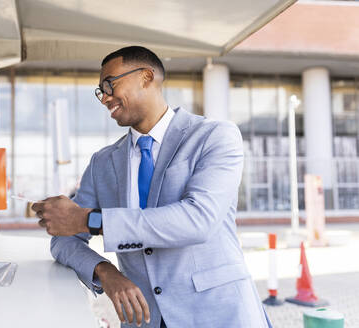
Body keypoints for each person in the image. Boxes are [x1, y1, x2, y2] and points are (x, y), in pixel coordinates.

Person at [32, 46, 272, 328]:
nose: (105, 97)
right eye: (100, 91)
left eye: (110, 84)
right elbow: (64, 239)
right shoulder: (102, 163)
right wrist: (105, 271)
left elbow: (197, 220)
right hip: (144, 320)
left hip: (219, 314)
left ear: (146, 76)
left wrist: (87, 219)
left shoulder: (214, 136)